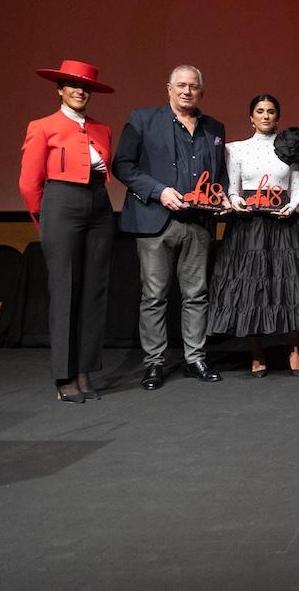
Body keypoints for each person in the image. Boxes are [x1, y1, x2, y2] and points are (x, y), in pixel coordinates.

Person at [113, 64, 228, 390]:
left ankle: (195, 358)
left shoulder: (214, 128)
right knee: (154, 297)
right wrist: (158, 191)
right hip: (154, 221)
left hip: (198, 223)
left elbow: (218, 174)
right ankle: (154, 363)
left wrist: (221, 197)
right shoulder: (142, 119)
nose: (187, 91)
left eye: (193, 86)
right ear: (169, 88)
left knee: (196, 295)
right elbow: (122, 164)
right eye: (181, 85)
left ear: (201, 92)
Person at [207, 94, 299, 375]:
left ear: (278, 116)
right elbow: (233, 187)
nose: (265, 116)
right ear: (251, 117)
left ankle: (294, 349)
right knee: (253, 288)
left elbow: (296, 186)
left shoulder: (289, 148)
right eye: (259, 111)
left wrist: (292, 205)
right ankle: (257, 351)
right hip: (249, 227)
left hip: (282, 224)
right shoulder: (235, 149)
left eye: (271, 111)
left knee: (290, 287)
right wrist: (236, 201)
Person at [19, 59, 115, 403]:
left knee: (93, 290)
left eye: (85, 87)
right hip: (61, 203)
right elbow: (29, 183)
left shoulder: (101, 129)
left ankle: (84, 369)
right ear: (60, 90)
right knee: (64, 289)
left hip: (99, 205)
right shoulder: (43, 126)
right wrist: (44, 221)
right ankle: (63, 375)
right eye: (73, 86)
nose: (80, 92)